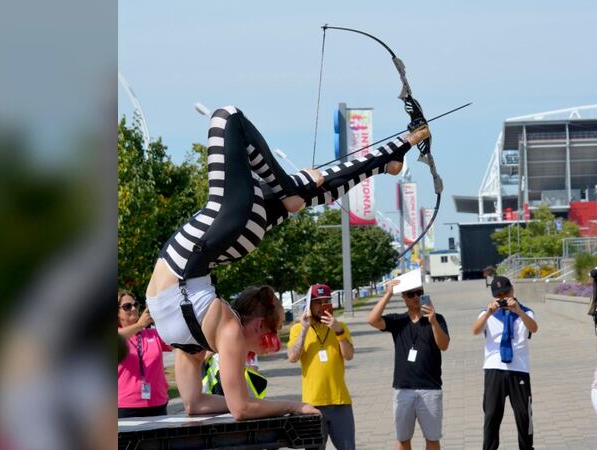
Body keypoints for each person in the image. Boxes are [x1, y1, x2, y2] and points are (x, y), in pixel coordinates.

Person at [145, 106, 429, 418]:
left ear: (257, 324)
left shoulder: (222, 333)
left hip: (222, 233)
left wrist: (284, 405)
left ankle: (390, 156)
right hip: (222, 238)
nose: (265, 349)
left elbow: (202, 405)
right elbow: (232, 405)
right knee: (297, 184)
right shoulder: (207, 335)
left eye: (269, 339)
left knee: (232, 121)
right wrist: (287, 405)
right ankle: (303, 185)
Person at [367, 278, 450, 450]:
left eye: (419, 293)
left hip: (430, 388)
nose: (416, 297)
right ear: (403, 297)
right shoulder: (398, 321)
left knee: (432, 439)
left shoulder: (437, 319)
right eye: (411, 294)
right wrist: (388, 294)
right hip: (403, 389)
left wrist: (433, 322)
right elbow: (372, 320)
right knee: (403, 440)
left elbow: (444, 345)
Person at [470, 275, 539, 450]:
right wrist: (488, 313)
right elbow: (475, 330)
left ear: (512, 291)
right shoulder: (487, 314)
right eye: (498, 295)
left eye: (506, 293)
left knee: (524, 415)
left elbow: (534, 328)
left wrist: (518, 311)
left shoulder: (526, 311)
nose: (503, 298)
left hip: (519, 368)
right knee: (492, 415)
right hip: (494, 368)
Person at [287, 284, 356, 450]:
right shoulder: (298, 328)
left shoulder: (340, 327)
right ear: (309, 304)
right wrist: (304, 329)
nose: (322, 306)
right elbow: (293, 357)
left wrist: (338, 332)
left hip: (340, 401)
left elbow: (348, 355)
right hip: (313, 404)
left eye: (326, 301)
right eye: (318, 302)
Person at [118, 290, 173, 418]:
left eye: (135, 305)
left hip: (158, 403)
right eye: (127, 306)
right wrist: (140, 325)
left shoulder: (152, 334)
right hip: (126, 406)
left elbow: (176, 341)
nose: (133, 309)